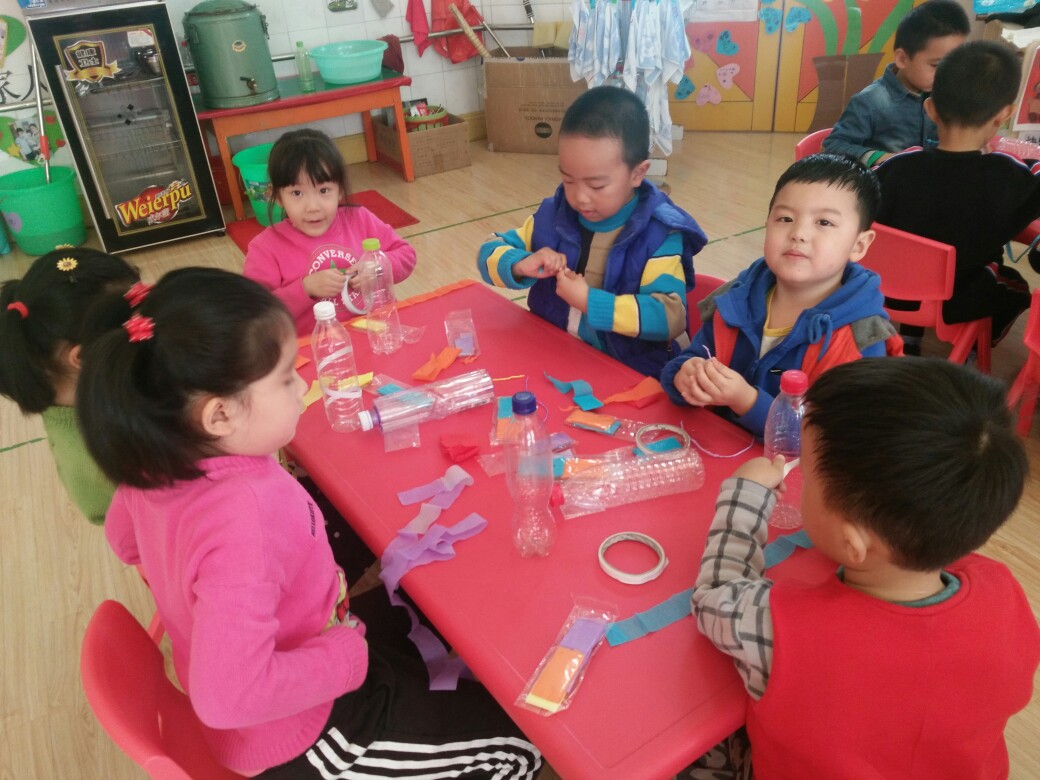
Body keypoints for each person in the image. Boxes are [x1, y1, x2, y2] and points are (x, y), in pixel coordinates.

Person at [76, 268, 541, 778]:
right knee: (521, 748)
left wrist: (196, 584)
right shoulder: (246, 517)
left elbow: (125, 541)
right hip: (306, 732)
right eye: (283, 378)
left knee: (435, 620)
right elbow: (230, 697)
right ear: (219, 416)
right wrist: (344, 660)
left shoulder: (153, 462)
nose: (303, 383)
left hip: (310, 649)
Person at [690, 357, 1040, 778]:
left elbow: (715, 595)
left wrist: (744, 497)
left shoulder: (778, 628)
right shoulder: (1004, 591)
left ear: (852, 543)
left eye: (808, 478)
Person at [660, 154, 901, 439]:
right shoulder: (736, 299)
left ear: (859, 245)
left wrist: (748, 402)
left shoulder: (861, 341)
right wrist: (683, 375)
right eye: (785, 218)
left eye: (824, 222)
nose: (798, 233)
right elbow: (691, 359)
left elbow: (839, 439)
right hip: (715, 448)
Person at [476, 85, 707, 378]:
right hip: (558, 357)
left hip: (629, 372)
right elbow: (488, 251)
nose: (580, 197)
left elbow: (670, 316)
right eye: (568, 180)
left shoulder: (659, 235)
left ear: (638, 173)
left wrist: (590, 302)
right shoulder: (554, 216)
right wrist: (520, 263)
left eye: (596, 185)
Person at [874, 40, 1040, 351]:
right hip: (959, 298)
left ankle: (910, 336)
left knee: (918, 242)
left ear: (931, 109)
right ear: (1004, 114)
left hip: (887, 289)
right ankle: (974, 348)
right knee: (1016, 289)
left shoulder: (898, 166)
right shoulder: (1008, 176)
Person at [0, 248, 140, 525]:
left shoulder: (79, 385)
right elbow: (123, 525)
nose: (151, 325)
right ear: (84, 356)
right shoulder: (93, 459)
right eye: (138, 322)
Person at [244, 128, 417, 335]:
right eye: (297, 193)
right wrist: (305, 289)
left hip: (379, 334)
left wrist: (378, 269)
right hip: (315, 346)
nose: (313, 207)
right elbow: (254, 312)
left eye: (324, 190)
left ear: (340, 189)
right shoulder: (265, 247)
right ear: (278, 197)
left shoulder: (359, 218)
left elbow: (407, 255)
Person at [823, 0, 968, 166]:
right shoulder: (869, 102)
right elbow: (832, 146)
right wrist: (882, 157)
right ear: (902, 59)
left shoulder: (947, 98)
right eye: (936, 66)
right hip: (887, 179)